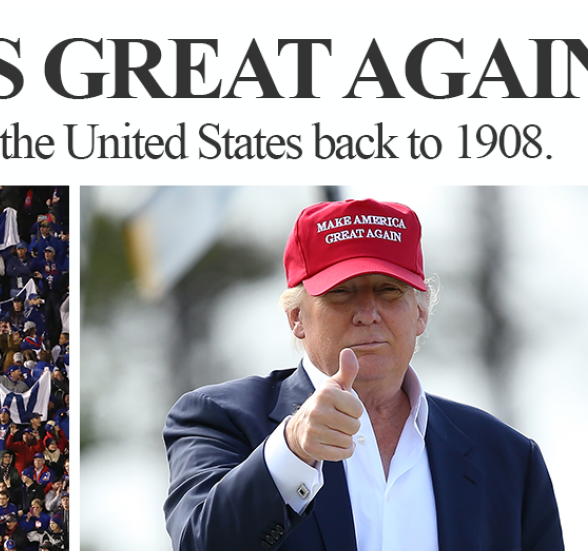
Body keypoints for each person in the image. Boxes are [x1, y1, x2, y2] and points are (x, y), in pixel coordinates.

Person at [163, 198, 564, 551]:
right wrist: (293, 451)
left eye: (389, 290)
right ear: (296, 317)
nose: (368, 312)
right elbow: (200, 543)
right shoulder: (219, 419)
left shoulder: (508, 458)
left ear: (421, 313)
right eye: (341, 291)